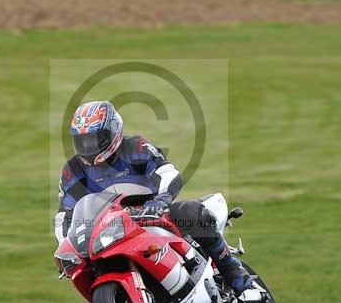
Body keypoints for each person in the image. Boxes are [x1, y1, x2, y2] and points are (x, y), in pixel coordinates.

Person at [54, 100, 252, 293]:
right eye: (83, 140)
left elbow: (168, 174)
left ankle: (232, 269)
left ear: (114, 130)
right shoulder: (73, 170)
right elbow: (65, 214)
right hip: (109, 230)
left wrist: (160, 201)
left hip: (154, 215)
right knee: (91, 278)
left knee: (190, 212)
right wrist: (66, 245)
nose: (89, 146)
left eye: (96, 138)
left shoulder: (136, 147)